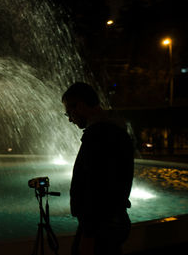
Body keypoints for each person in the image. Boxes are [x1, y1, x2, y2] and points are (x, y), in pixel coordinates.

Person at [62, 82, 134, 255]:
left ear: (79, 106)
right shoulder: (116, 131)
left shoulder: (98, 136)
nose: (70, 119)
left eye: (68, 113)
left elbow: (97, 188)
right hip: (113, 221)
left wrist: (88, 234)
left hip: (100, 228)